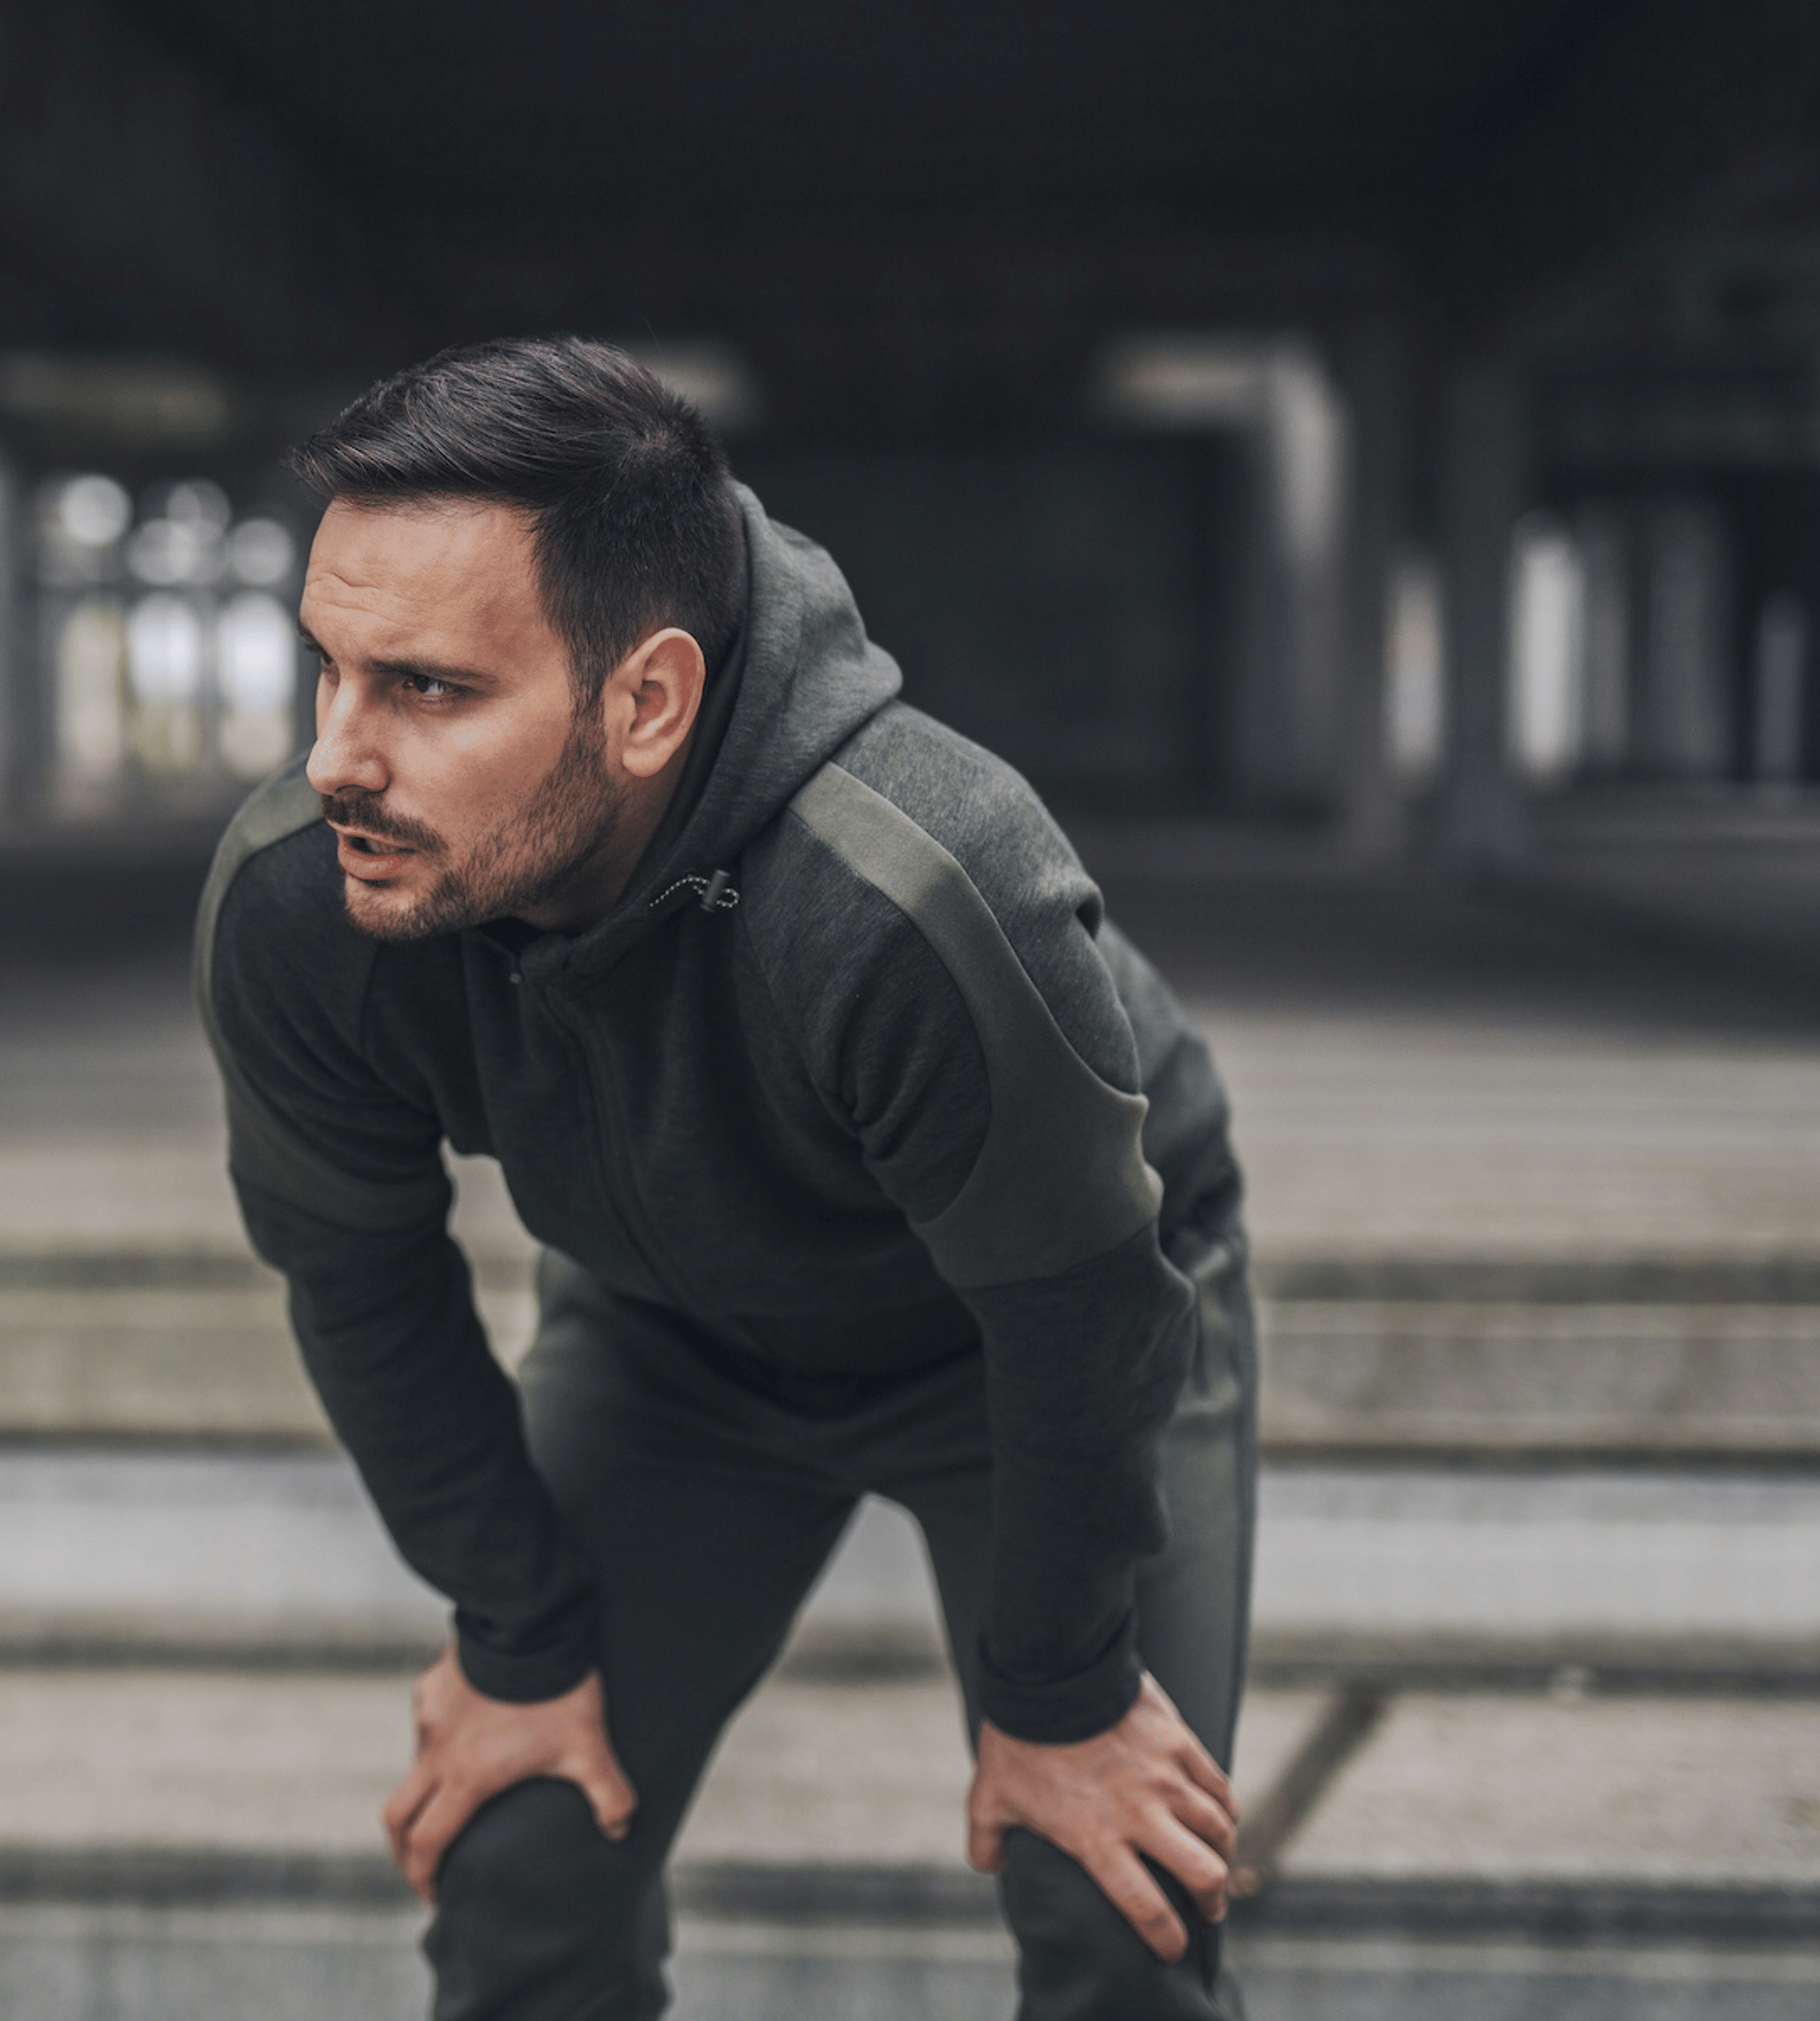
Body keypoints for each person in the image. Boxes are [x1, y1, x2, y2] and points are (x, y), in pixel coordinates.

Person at [195, 335, 1255, 2021]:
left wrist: (1060, 1698)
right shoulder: (301, 901)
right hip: (671, 1338)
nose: (336, 756)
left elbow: (1078, 1321)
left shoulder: (916, 893)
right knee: (521, 1847)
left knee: (1113, 1895)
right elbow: (357, 1275)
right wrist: (518, 1641)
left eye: (429, 689)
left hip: (1029, 1344)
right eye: (327, 668)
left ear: (648, 702)